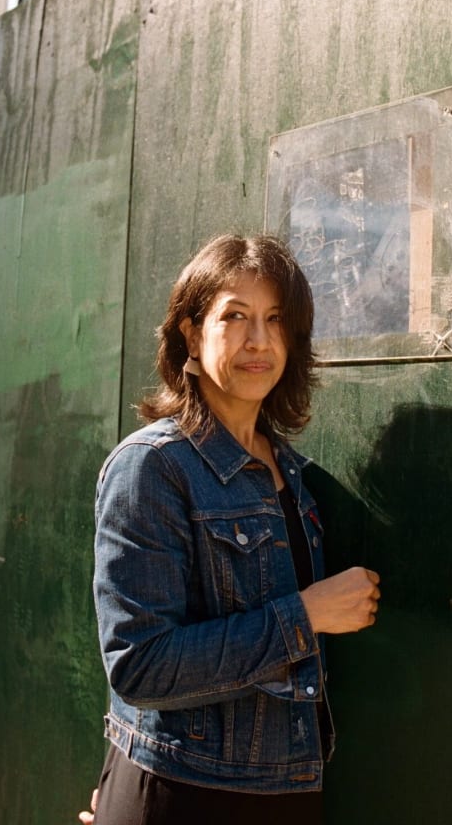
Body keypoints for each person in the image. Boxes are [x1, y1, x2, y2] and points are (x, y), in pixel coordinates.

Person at [86, 234, 380, 825]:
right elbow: (140, 666)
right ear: (191, 334)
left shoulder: (293, 474)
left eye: (275, 320)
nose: (259, 340)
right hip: (185, 792)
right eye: (235, 316)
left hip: (286, 789)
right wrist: (308, 615)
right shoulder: (153, 466)